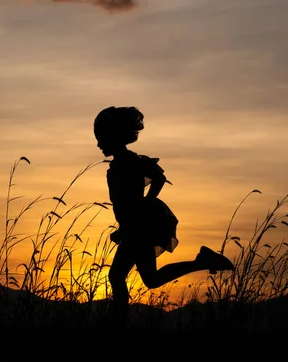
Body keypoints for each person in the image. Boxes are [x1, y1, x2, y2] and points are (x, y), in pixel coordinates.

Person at [93, 106, 234, 327]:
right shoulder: (125, 162)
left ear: (115, 137)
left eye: (101, 138)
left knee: (117, 276)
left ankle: (118, 320)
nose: (99, 144)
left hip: (139, 228)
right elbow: (128, 199)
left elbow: (156, 180)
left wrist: (144, 206)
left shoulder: (130, 162)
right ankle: (202, 261)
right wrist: (125, 226)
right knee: (150, 279)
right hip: (135, 226)